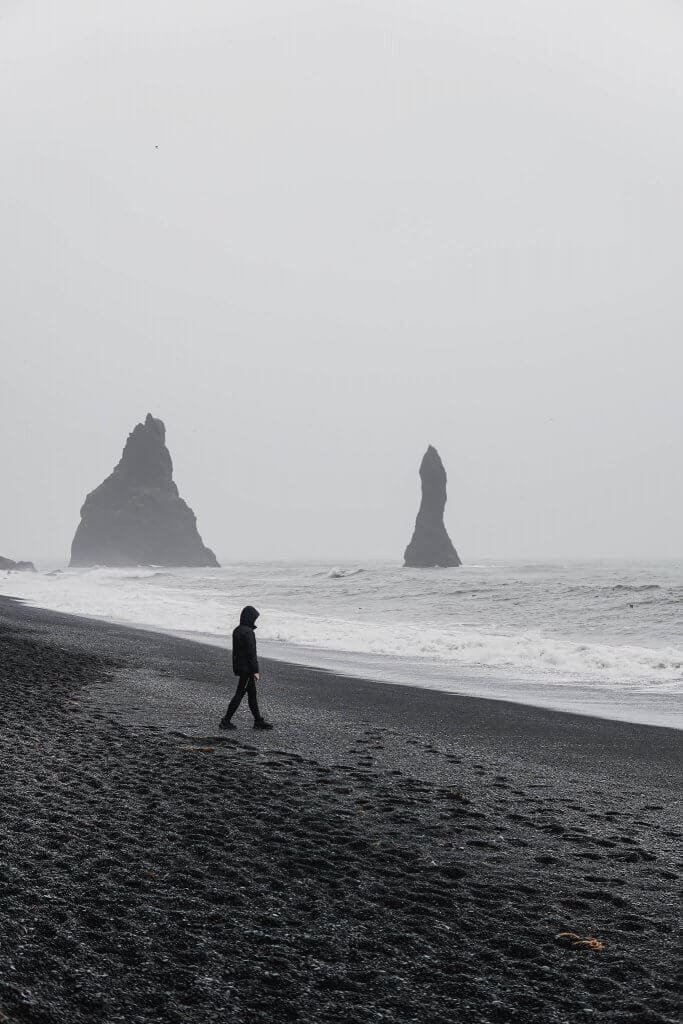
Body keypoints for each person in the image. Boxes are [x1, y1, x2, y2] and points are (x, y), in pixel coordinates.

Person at [220, 605, 273, 730]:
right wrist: (255, 671)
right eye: (254, 618)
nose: (255, 621)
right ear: (250, 618)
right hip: (247, 670)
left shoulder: (237, 630)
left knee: (252, 694)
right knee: (240, 693)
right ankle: (225, 721)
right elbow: (251, 653)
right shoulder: (248, 632)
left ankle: (258, 721)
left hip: (239, 666)